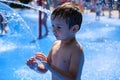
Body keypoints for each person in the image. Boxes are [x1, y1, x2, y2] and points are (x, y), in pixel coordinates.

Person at [26, 2, 84, 80]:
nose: (53, 30)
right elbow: (45, 69)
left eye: (58, 27)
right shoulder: (55, 45)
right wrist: (35, 67)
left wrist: (49, 66)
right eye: (53, 25)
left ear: (74, 29)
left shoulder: (76, 50)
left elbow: (73, 78)